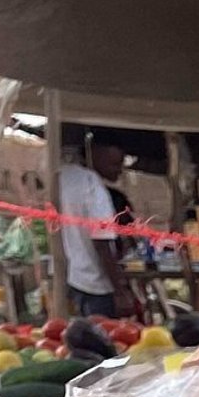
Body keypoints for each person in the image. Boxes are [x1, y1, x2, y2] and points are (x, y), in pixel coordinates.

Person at [57, 134, 136, 319]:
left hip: (74, 277)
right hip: (97, 284)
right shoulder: (93, 185)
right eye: (114, 164)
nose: (119, 171)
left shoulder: (65, 176)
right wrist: (119, 291)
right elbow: (102, 242)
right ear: (95, 154)